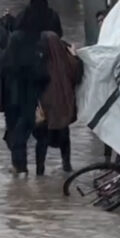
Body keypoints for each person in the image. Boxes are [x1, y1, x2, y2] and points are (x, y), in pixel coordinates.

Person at [0, 27, 47, 175]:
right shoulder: (33, 56)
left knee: (14, 134)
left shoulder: (6, 56)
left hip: (10, 103)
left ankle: (19, 165)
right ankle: (36, 170)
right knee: (27, 135)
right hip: (29, 103)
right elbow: (43, 77)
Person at [35, 31, 82, 174]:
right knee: (64, 137)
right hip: (63, 107)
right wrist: (75, 55)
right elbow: (78, 75)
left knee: (42, 140)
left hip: (45, 107)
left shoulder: (39, 60)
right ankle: (66, 166)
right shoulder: (67, 60)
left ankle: (40, 171)